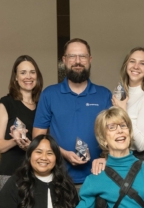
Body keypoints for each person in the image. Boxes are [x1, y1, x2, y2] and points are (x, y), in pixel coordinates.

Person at [33, 38, 112, 184]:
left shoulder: (104, 95)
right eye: (72, 56)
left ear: (90, 59)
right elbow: (38, 138)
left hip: (98, 179)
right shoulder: (49, 94)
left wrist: (106, 158)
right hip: (58, 179)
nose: (77, 61)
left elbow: (114, 136)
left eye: (82, 56)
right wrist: (63, 154)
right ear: (64, 60)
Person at [0, 55, 43, 188]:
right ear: (15, 77)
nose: (28, 76)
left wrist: (31, 147)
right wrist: (15, 141)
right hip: (10, 174)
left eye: (32, 72)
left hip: (37, 173)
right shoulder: (6, 103)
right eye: (23, 72)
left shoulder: (43, 105)